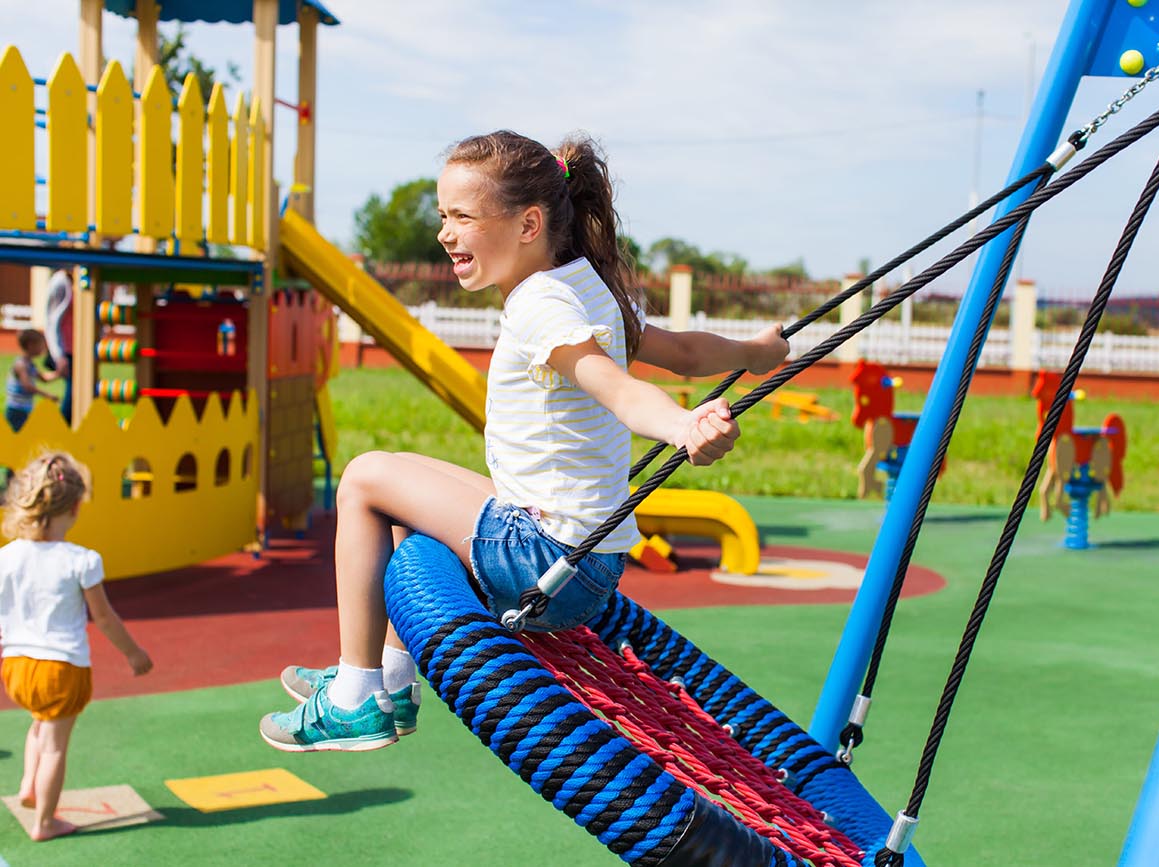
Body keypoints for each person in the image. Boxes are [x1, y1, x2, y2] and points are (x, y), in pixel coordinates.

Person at [261, 130, 789, 752]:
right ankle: (394, 682)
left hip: (543, 563)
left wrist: (680, 426)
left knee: (364, 477)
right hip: (590, 563)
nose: (445, 233)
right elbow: (683, 350)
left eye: (462, 217)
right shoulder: (588, 284)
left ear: (529, 223)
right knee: (405, 485)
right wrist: (756, 353)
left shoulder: (541, 304)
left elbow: (615, 389)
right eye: (443, 217)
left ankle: (354, 697)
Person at [0, 452, 152, 840]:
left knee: (39, 722)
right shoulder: (81, 560)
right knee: (55, 746)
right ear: (76, 507)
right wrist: (134, 654)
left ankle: (29, 786)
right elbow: (103, 617)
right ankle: (45, 823)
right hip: (61, 669)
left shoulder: (7, 555)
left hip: (15, 666)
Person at [6, 329, 60, 432]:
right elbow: (27, 386)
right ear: (31, 345)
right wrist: (47, 395)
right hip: (16, 410)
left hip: (26, 409)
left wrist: (58, 374)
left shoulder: (30, 364)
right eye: (40, 344)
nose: (43, 348)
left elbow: (44, 378)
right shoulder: (21, 365)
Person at [44, 268, 74, 425]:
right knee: (74, 388)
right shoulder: (61, 281)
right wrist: (58, 354)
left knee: (79, 389)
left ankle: (70, 425)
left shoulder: (78, 280)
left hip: (79, 349)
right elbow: (52, 319)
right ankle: (63, 425)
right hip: (66, 349)